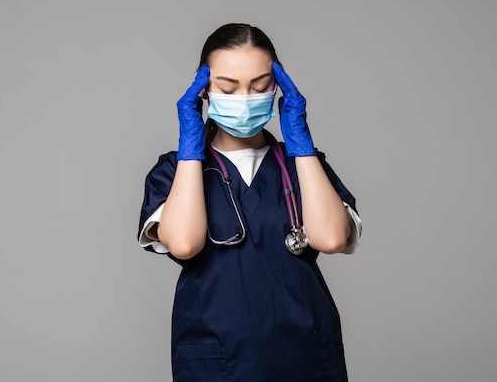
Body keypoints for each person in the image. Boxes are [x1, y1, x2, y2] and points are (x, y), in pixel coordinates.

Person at [137, 23, 362, 382]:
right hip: (217, 360)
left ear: (277, 88)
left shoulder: (303, 167)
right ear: (204, 89)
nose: (244, 99)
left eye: (259, 87)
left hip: (305, 354)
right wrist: (190, 150)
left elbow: (331, 238)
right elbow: (184, 243)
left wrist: (301, 143)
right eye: (228, 87)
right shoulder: (174, 172)